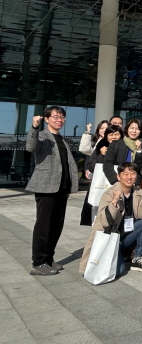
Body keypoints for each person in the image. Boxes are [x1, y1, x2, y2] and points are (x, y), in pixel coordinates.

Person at [26, 107, 79, 276]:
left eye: (62, 117)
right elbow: (31, 146)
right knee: (44, 226)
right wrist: (34, 127)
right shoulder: (42, 135)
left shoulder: (62, 139)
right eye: (55, 117)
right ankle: (38, 262)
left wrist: (69, 186)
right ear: (47, 119)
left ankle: (48, 258)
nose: (59, 120)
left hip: (62, 188)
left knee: (56, 226)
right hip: (46, 187)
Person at [79, 162, 142, 276]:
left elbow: (141, 216)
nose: (129, 177)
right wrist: (114, 202)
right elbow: (105, 222)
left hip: (125, 236)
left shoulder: (139, 192)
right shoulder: (109, 193)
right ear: (118, 177)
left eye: (132, 173)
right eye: (125, 174)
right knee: (118, 271)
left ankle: (138, 257)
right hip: (110, 237)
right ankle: (118, 255)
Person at [80, 124, 124, 226]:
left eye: (116, 134)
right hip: (101, 184)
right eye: (110, 134)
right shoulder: (100, 147)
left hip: (118, 184)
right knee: (98, 212)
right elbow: (91, 167)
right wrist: (102, 155)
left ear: (121, 136)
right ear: (106, 136)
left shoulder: (124, 148)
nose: (113, 137)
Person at [103, 118, 142, 185]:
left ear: (141, 131)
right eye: (132, 128)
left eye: (137, 129)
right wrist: (115, 181)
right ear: (127, 129)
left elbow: (139, 167)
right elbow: (107, 164)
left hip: (134, 183)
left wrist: (139, 151)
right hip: (117, 181)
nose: (134, 131)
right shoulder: (116, 144)